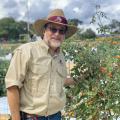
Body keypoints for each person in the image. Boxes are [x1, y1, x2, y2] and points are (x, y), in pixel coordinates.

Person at [5, 9, 77, 120]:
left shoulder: (61, 56)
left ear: (64, 35)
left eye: (61, 31)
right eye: (53, 29)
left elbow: (60, 81)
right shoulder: (26, 51)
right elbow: (12, 87)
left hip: (56, 116)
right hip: (32, 117)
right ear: (44, 30)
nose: (57, 34)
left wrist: (82, 78)